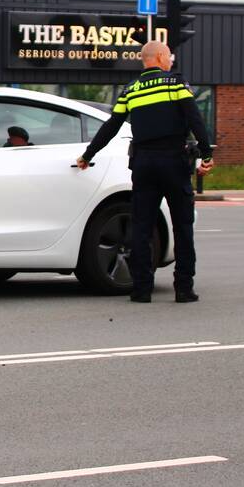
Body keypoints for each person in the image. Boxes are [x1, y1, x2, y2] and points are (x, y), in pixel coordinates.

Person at [76, 41, 214, 303]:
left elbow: (111, 126)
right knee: (182, 226)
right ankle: (183, 288)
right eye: (169, 56)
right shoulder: (175, 84)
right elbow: (195, 118)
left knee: (141, 226)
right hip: (174, 161)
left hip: (143, 165)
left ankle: (141, 288)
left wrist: (88, 155)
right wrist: (207, 154)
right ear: (161, 57)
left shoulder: (131, 89)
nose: (171, 61)